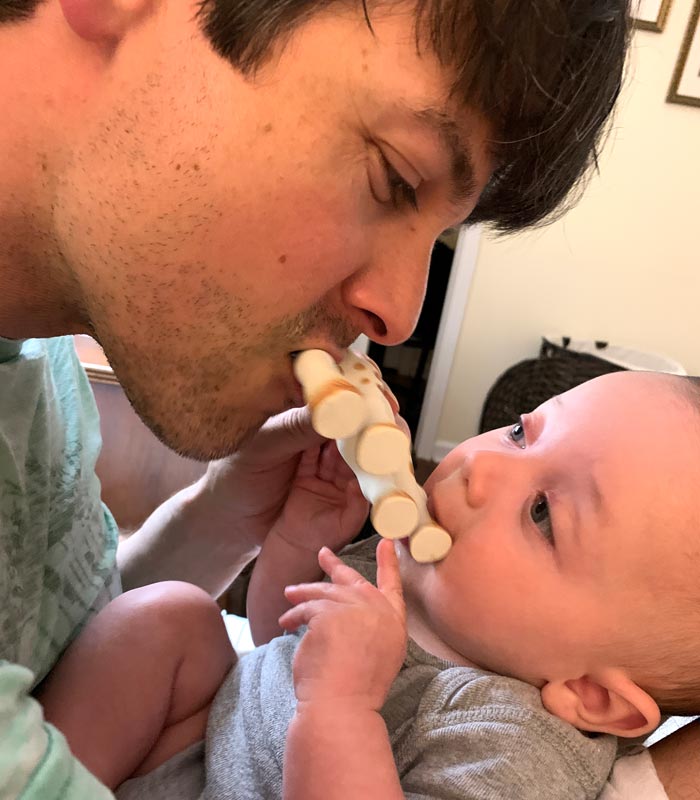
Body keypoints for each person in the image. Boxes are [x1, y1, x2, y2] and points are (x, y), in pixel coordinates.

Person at [0, 0, 645, 796]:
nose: (401, 313)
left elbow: (52, 644)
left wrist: (227, 514)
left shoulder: (36, 373)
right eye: (394, 177)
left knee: (165, 615)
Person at [37, 370, 700, 799]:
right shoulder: (414, 574)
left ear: (592, 696)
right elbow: (277, 639)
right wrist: (306, 534)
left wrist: (342, 709)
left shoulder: (516, 746)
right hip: (202, 750)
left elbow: (320, 690)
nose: (480, 468)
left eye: (543, 513)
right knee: (167, 618)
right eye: (520, 432)